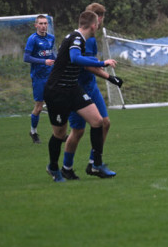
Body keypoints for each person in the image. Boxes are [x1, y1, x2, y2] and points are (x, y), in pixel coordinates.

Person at [43, 10, 122, 182]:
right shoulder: (76, 38)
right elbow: (76, 58)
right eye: (98, 25)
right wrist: (103, 63)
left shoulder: (81, 40)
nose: (98, 27)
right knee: (59, 134)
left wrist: (109, 76)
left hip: (72, 88)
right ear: (94, 26)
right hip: (57, 91)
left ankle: (96, 164)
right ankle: (54, 168)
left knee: (98, 121)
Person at [62, 2, 117, 179]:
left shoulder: (89, 37)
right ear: (98, 19)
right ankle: (66, 167)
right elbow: (87, 65)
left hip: (91, 87)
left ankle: (95, 163)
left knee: (104, 123)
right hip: (78, 88)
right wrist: (107, 73)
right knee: (77, 131)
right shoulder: (87, 39)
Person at [23, 14, 55, 144]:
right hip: (38, 77)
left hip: (51, 76)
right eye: (40, 23)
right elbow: (26, 58)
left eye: (45, 23)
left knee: (55, 105)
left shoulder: (51, 38)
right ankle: (33, 131)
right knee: (39, 107)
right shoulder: (32, 39)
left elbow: (51, 54)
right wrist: (43, 62)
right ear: (36, 25)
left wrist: (58, 62)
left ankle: (58, 133)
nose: (43, 26)